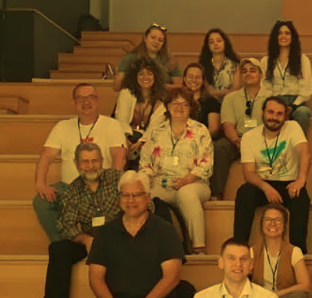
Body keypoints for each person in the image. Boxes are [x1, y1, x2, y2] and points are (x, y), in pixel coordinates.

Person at [33, 83, 127, 238]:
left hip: (102, 186)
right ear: (73, 103)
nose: (86, 102)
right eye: (80, 98)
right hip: (68, 187)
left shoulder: (112, 125)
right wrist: (40, 184)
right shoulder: (62, 126)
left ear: (98, 100)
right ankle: (63, 243)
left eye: (91, 97)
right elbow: (46, 156)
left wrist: (114, 184)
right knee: (41, 202)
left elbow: (119, 155)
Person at [44, 142, 123, 298]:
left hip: (120, 237)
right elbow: (67, 225)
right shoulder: (72, 190)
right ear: (76, 163)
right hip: (91, 240)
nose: (90, 166)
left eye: (95, 161)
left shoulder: (118, 179)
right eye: (85, 162)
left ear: (102, 160)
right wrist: (85, 239)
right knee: (59, 249)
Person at [235, 95, 310, 255]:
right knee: (245, 192)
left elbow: (304, 153)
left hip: (289, 182)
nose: (274, 118)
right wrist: (266, 188)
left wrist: (301, 180)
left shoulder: (293, 127)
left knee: (301, 196)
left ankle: (298, 252)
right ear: (262, 113)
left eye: (279, 114)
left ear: (285, 116)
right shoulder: (249, 137)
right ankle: (239, 247)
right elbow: (248, 174)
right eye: (270, 112)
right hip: (262, 184)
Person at [143, 86, 213, 253]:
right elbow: (145, 161)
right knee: (142, 195)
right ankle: (150, 249)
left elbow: (206, 163)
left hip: (194, 183)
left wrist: (186, 180)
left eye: (185, 104)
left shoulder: (200, 130)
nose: (179, 107)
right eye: (175, 103)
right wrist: (147, 177)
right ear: (167, 106)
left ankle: (199, 248)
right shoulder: (156, 131)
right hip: (161, 182)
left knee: (186, 194)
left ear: (191, 108)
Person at [214, 57, 268, 199]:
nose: (248, 74)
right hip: (237, 140)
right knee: (219, 147)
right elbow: (228, 125)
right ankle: (217, 193)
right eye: (244, 71)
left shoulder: (270, 97)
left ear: (261, 74)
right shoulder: (230, 98)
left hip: (263, 141)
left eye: (252, 71)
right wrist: (238, 141)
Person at [249, 202, 312, 298]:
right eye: (268, 219)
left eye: (278, 220)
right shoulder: (252, 251)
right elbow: (243, 281)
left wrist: (279, 293)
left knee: (301, 297)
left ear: (284, 226)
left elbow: (306, 285)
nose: (272, 224)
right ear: (261, 224)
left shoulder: (294, 251)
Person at [259, 19, 312, 132]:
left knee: (303, 113)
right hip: (274, 100)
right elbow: (265, 87)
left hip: (296, 102)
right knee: (260, 113)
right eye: (280, 33)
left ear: (293, 37)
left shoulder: (303, 60)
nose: (283, 36)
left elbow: (307, 89)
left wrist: (293, 106)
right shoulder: (266, 61)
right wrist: (274, 105)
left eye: (287, 33)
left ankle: (298, 146)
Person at [115, 57, 169, 171]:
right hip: (125, 137)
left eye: (149, 73)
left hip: (148, 140)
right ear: (135, 77)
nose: (145, 77)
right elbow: (121, 120)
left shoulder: (162, 101)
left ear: (155, 77)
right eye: (141, 74)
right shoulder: (126, 93)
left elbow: (155, 128)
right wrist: (125, 139)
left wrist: (140, 143)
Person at [113, 24, 177, 91]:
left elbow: (178, 87)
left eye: (160, 40)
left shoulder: (170, 61)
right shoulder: (130, 59)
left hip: (164, 98)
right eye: (153, 38)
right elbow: (117, 86)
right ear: (145, 38)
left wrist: (159, 86)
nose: (156, 42)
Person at [197, 27, 240, 100]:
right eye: (211, 42)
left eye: (219, 41)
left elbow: (235, 91)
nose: (215, 44)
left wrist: (214, 93)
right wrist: (223, 92)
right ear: (208, 46)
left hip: (232, 101)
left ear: (225, 43)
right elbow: (206, 91)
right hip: (210, 102)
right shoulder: (203, 65)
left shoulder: (235, 64)